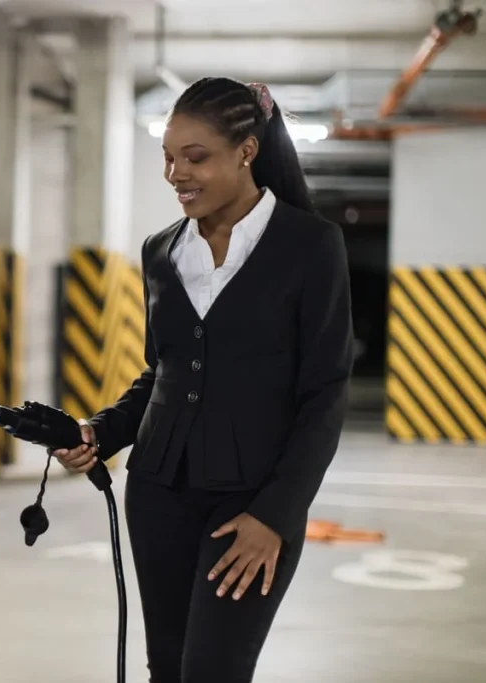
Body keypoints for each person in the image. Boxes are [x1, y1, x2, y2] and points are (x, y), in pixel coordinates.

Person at [51, 77, 354, 682]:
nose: (175, 174)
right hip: (159, 492)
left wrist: (277, 515)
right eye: (168, 156)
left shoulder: (310, 246)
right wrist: (99, 432)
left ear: (246, 151)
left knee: (214, 670)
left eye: (195, 158)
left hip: (252, 502)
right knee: (166, 667)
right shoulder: (161, 251)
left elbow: (325, 393)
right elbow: (162, 371)